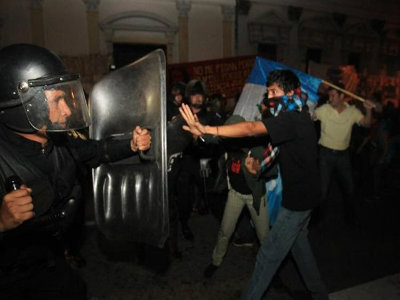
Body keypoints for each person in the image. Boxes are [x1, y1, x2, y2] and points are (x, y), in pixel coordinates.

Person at [0, 44, 151, 299]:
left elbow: (96, 150)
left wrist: (131, 145)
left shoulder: (61, 143)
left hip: (49, 260)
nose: (67, 111)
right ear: (20, 106)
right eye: (57, 100)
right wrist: (1, 221)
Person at [180, 69, 329, 300]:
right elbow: (275, 152)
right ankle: (319, 294)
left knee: (266, 256)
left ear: (289, 92)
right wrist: (258, 168)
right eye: (268, 91)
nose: (269, 96)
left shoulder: (292, 119)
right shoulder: (295, 117)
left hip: (298, 203)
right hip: (307, 199)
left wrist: (207, 129)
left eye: (274, 91)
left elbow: (250, 129)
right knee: (301, 250)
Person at [203, 115, 270, 278]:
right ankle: (216, 261)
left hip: (255, 198)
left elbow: (273, 169)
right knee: (225, 230)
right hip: (235, 194)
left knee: (265, 238)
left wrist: (258, 168)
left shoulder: (256, 148)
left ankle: (270, 271)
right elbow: (209, 138)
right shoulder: (226, 143)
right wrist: (199, 129)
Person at [313, 83, 374, 225]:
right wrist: (311, 107)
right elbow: (311, 116)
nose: (330, 98)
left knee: (349, 188)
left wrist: (368, 110)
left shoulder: (352, 111)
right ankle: (316, 220)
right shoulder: (325, 109)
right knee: (322, 191)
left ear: (342, 96)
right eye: (329, 95)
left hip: (343, 156)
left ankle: (350, 219)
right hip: (325, 155)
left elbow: (366, 124)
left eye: (333, 95)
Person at [176, 79, 223, 240]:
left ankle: (225, 225)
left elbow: (220, 136)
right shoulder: (181, 115)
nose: (197, 98)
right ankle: (184, 224)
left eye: (200, 95)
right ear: (189, 96)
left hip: (203, 161)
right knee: (184, 197)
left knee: (210, 191)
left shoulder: (210, 117)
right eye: (194, 95)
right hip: (185, 162)